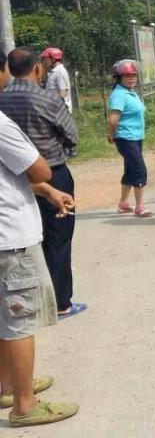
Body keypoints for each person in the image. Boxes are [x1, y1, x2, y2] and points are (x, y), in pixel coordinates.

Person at [0, 49, 80, 427]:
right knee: (19, 319)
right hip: (10, 231)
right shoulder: (40, 98)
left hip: (23, 204)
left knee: (4, 313)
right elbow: (41, 162)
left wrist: (46, 191)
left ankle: (8, 384)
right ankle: (25, 404)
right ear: (38, 67)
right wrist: (49, 181)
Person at [0, 48, 85, 319]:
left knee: (26, 241)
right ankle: (61, 302)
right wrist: (60, 152)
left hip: (14, 177)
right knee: (58, 238)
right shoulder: (47, 98)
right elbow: (71, 135)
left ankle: (28, 300)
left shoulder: (2, 100)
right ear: (37, 68)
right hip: (52, 175)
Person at [107, 60, 152, 217]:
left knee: (130, 170)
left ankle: (124, 203)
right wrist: (111, 135)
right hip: (126, 138)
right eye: (127, 76)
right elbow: (113, 119)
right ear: (119, 78)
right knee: (139, 170)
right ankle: (140, 206)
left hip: (135, 137)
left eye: (134, 75)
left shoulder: (130, 92)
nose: (132, 78)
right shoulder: (119, 94)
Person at [40, 48, 72, 114]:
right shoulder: (53, 72)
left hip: (60, 112)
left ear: (53, 59)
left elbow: (62, 94)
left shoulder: (60, 71)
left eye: (45, 59)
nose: (44, 62)